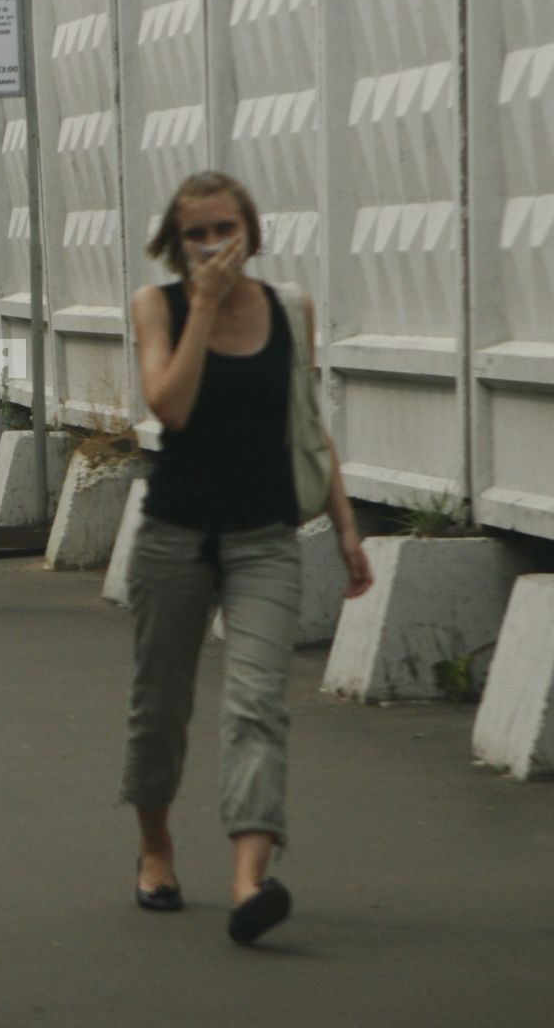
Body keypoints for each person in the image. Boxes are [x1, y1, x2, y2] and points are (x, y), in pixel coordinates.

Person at [122, 170, 372, 946]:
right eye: (194, 233)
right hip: (175, 536)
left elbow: (307, 420)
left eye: (223, 230)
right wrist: (199, 305)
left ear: (250, 233)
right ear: (175, 241)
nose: (210, 246)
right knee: (160, 708)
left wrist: (346, 525)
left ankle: (248, 881)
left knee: (258, 703)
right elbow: (170, 406)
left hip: (265, 537)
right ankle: (156, 849)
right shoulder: (156, 306)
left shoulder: (290, 309)